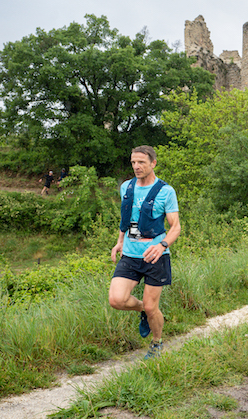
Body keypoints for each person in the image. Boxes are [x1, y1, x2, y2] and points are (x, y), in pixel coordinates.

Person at [109, 145, 181, 360]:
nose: (136, 166)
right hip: (130, 254)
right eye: (133, 162)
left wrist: (162, 245)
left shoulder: (166, 191)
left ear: (153, 163)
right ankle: (143, 310)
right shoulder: (126, 187)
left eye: (141, 162)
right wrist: (119, 241)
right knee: (116, 300)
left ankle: (156, 342)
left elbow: (175, 226)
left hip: (155, 256)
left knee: (153, 307)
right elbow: (126, 219)